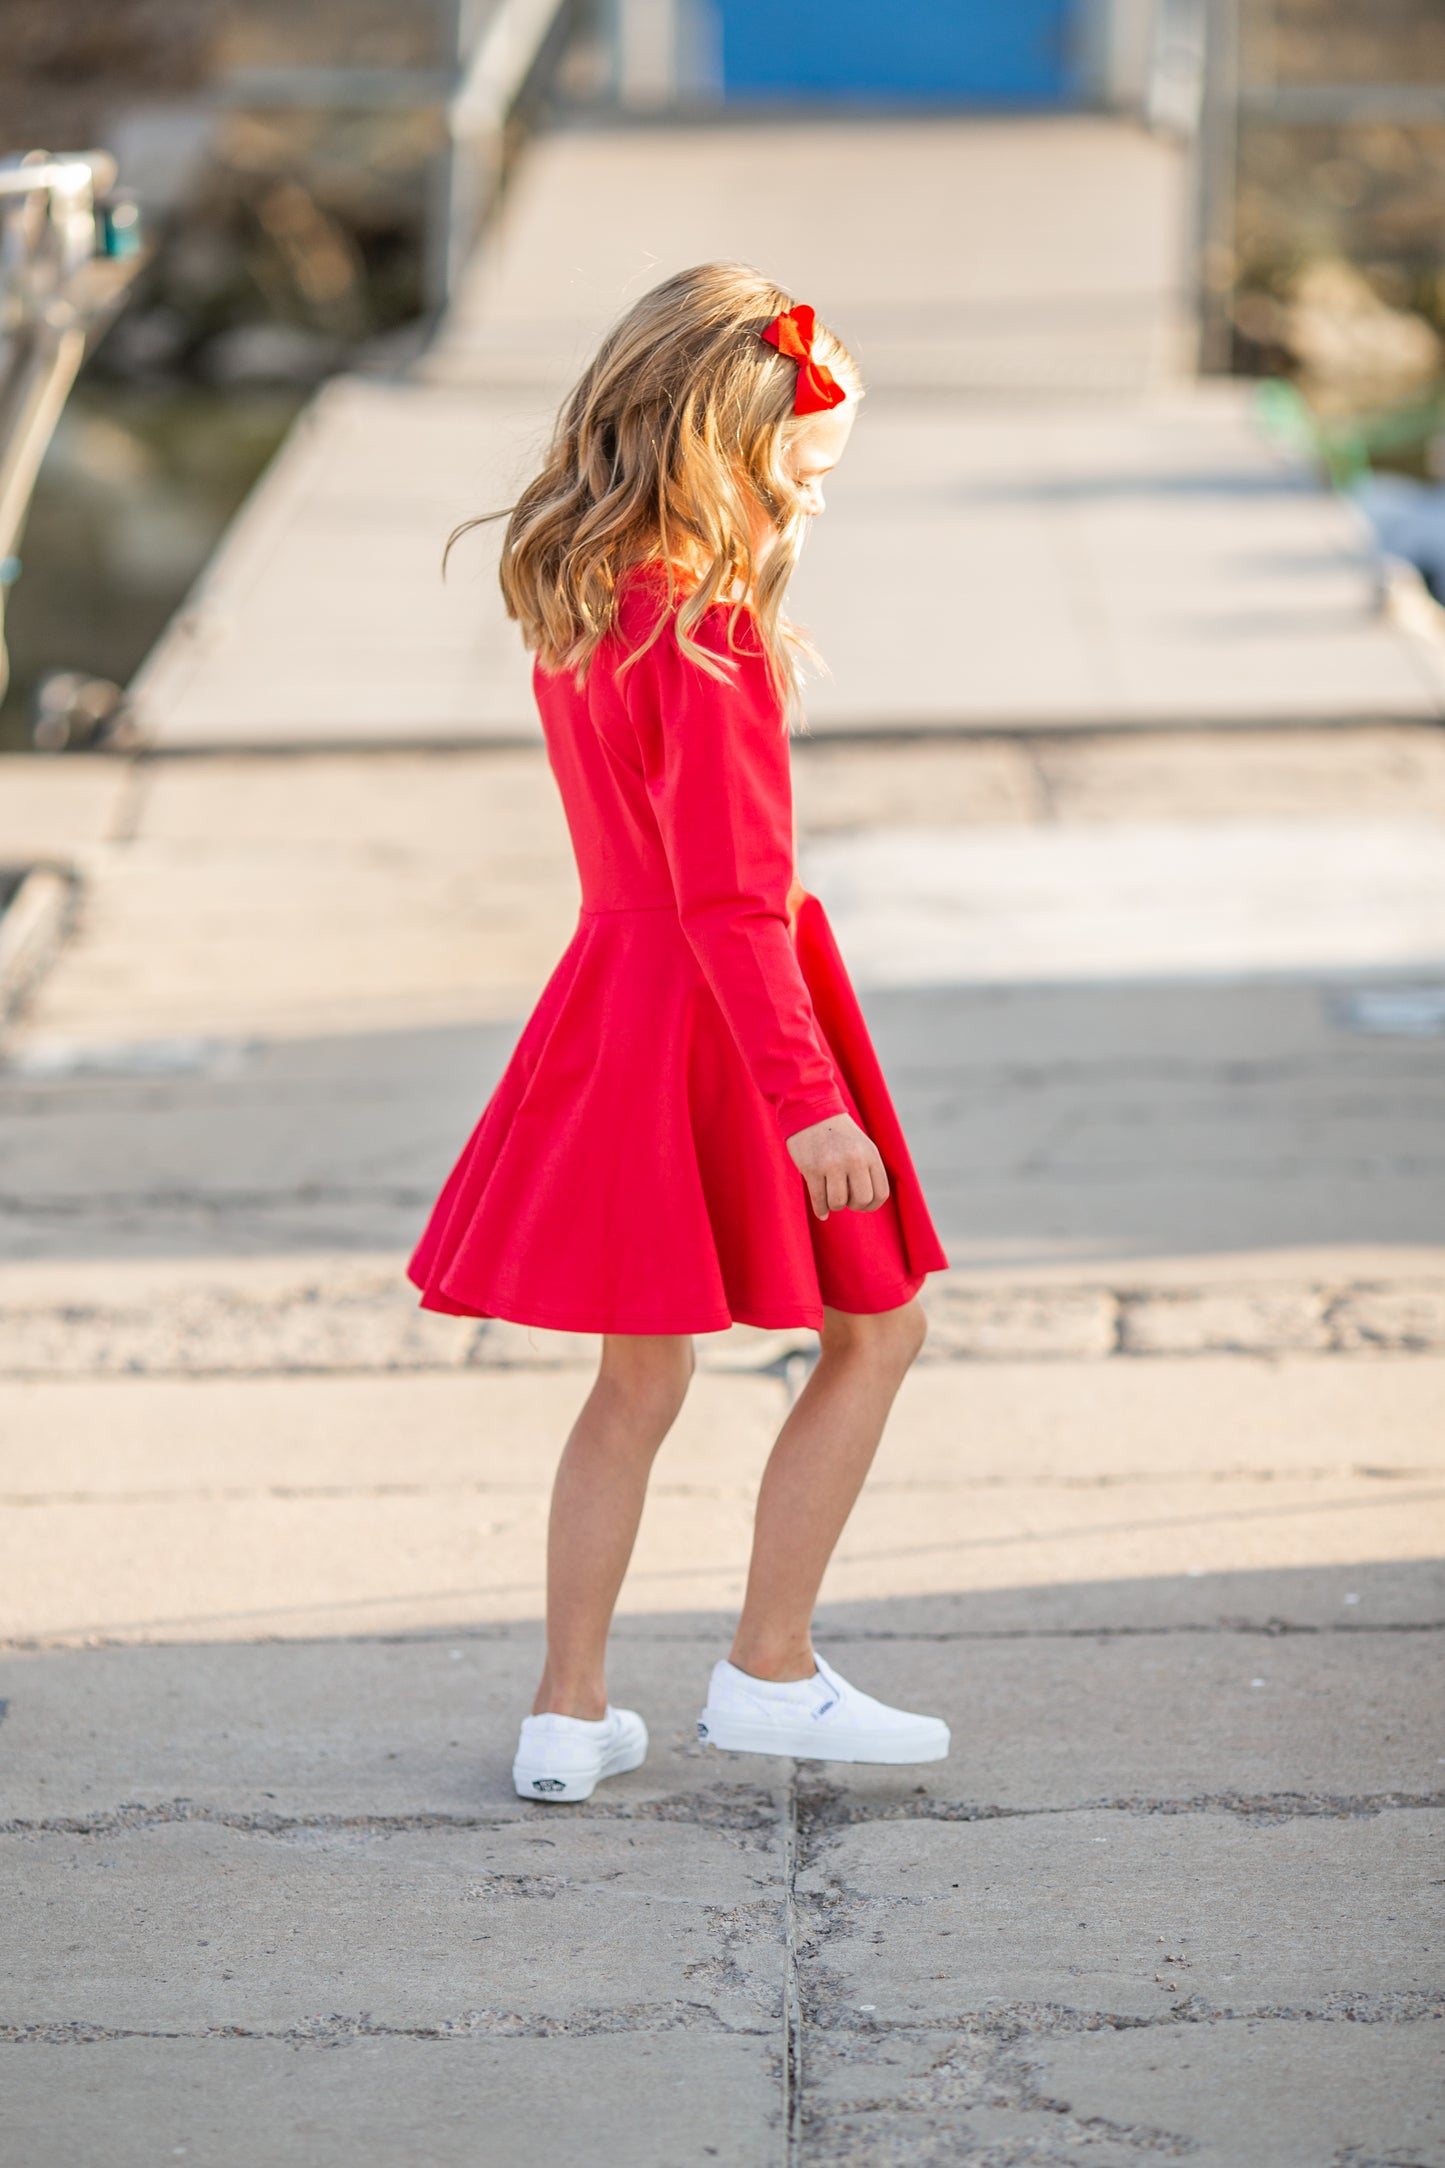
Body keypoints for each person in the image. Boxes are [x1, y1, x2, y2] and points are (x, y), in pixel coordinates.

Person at [407, 263, 951, 1802]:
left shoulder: (585, 604)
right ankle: (769, 1669)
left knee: (634, 1381)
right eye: (800, 469)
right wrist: (808, 1105)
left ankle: (565, 1717)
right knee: (878, 1325)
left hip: (620, 1013)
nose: (814, 507)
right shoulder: (705, 638)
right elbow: (729, 900)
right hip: (732, 1023)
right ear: (722, 443)